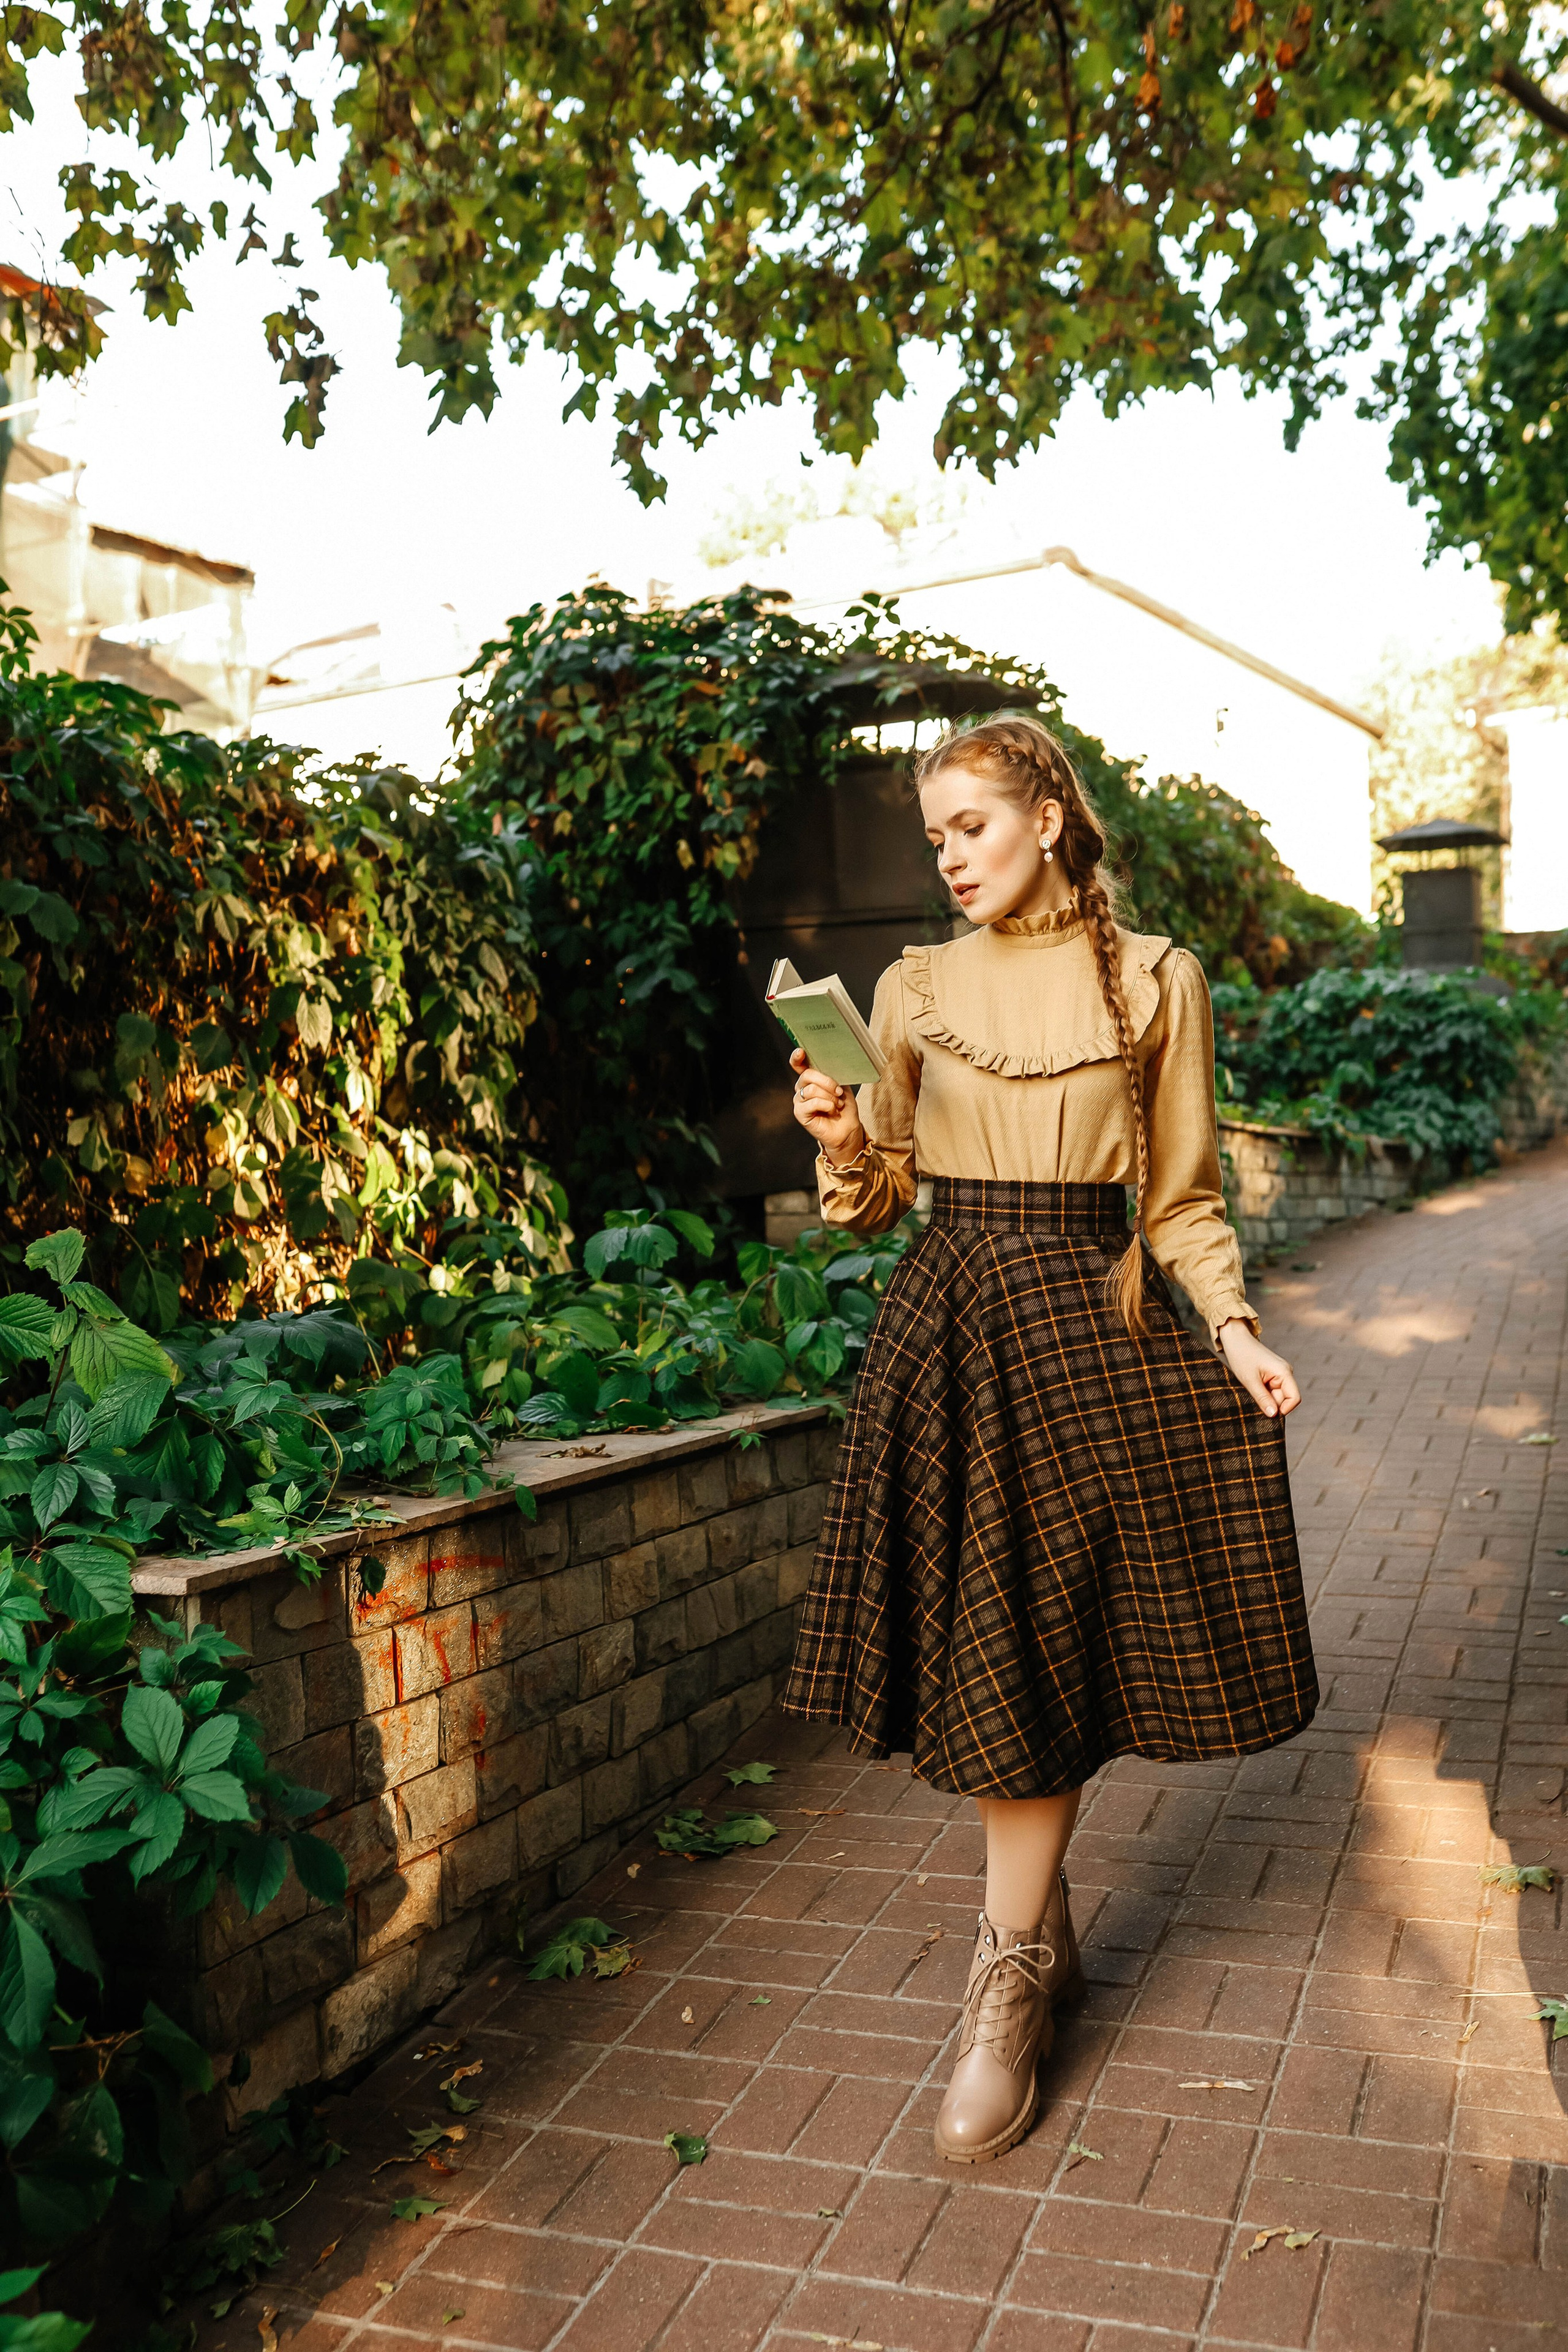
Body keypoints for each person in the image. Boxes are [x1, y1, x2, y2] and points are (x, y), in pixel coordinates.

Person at [778, 712, 1317, 2166]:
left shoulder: (1154, 977)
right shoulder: (913, 985)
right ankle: (1031, 1937)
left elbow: (1181, 1197)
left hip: (1087, 1330)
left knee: (1033, 1642)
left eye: (970, 826)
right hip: (948, 1326)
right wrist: (839, 1137)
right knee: (993, 1646)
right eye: (933, 837)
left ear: (1048, 818)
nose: (948, 859)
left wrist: (1231, 1328)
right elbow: (884, 1189)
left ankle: (1006, 1973)